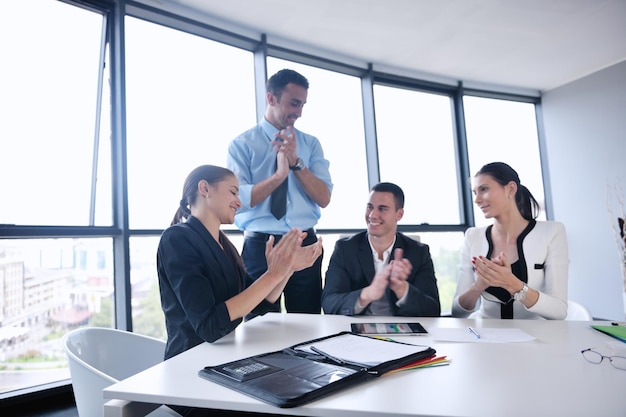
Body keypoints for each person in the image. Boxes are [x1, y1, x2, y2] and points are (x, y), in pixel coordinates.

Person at [157, 165, 323, 362]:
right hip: (190, 363)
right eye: (233, 192)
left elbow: (258, 304)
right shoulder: (176, 239)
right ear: (205, 189)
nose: (239, 202)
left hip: (225, 358)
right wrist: (273, 275)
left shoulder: (225, 245)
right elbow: (209, 326)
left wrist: (287, 269)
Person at [227, 69, 332, 314]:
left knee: (308, 325)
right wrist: (278, 177)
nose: (299, 112)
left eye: (303, 105)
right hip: (260, 246)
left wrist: (296, 162)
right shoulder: (242, 145)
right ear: (271, 98)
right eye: (294, 103)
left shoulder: (311, 145)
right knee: (260, 327)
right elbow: (239, 200)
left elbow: (324, 197)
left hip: (304, 243)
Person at [451, 162, 569, 320]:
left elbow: (558, 311)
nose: (477, 200)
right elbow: (458, 312)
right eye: (475, 192)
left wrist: (513, 284)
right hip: (484, 338)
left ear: (511, 189)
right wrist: (478, 286)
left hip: (536, 338)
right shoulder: (473, 236)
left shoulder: (552, 232)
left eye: (484, 189)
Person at [322, 182, 441, 316]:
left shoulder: (418, 253)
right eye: (370, 207)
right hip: (355, 330)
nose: (373, 215)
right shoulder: (345, 249)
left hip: (403, 332)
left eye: (382, 208)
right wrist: (367, 294)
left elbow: (433, 310)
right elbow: (329, 303)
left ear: (399, 214)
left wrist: (402, 289)